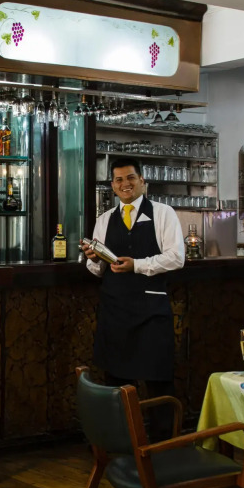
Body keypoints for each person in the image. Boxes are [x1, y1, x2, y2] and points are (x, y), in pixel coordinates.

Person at [81, 158, 185, 441]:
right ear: (113, 186)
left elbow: (176, 257)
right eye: (119, 180)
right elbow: (96, 270)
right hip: (115, 309)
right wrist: (93, 258)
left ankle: (164, 445)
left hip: (151, 309)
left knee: (158, 379)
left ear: (142, 181)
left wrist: (137, 265)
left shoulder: (163, 213)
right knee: (116, 382)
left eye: (130, 178)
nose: (125, 184)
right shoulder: (104, 219)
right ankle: (121, 444)